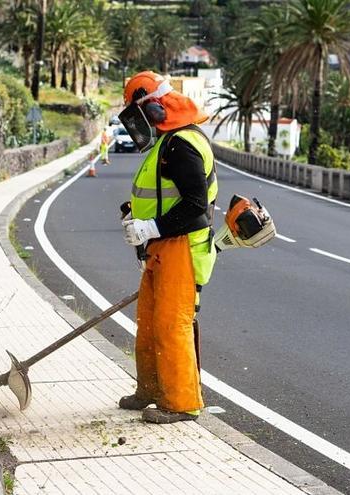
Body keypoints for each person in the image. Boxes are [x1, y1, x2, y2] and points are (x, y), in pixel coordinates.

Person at [118, 71, 218, 424]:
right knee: (149, 322)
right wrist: (137, 218)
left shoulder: (182, 145)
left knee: (172, 324)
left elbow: (194, 206)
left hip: (182, 247)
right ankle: (150, 389)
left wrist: (151, 226)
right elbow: (161, 194)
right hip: (161, 245)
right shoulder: (168, 139)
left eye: (138, 114)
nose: (138, 124)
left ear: (154, 109)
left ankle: (181, 402)